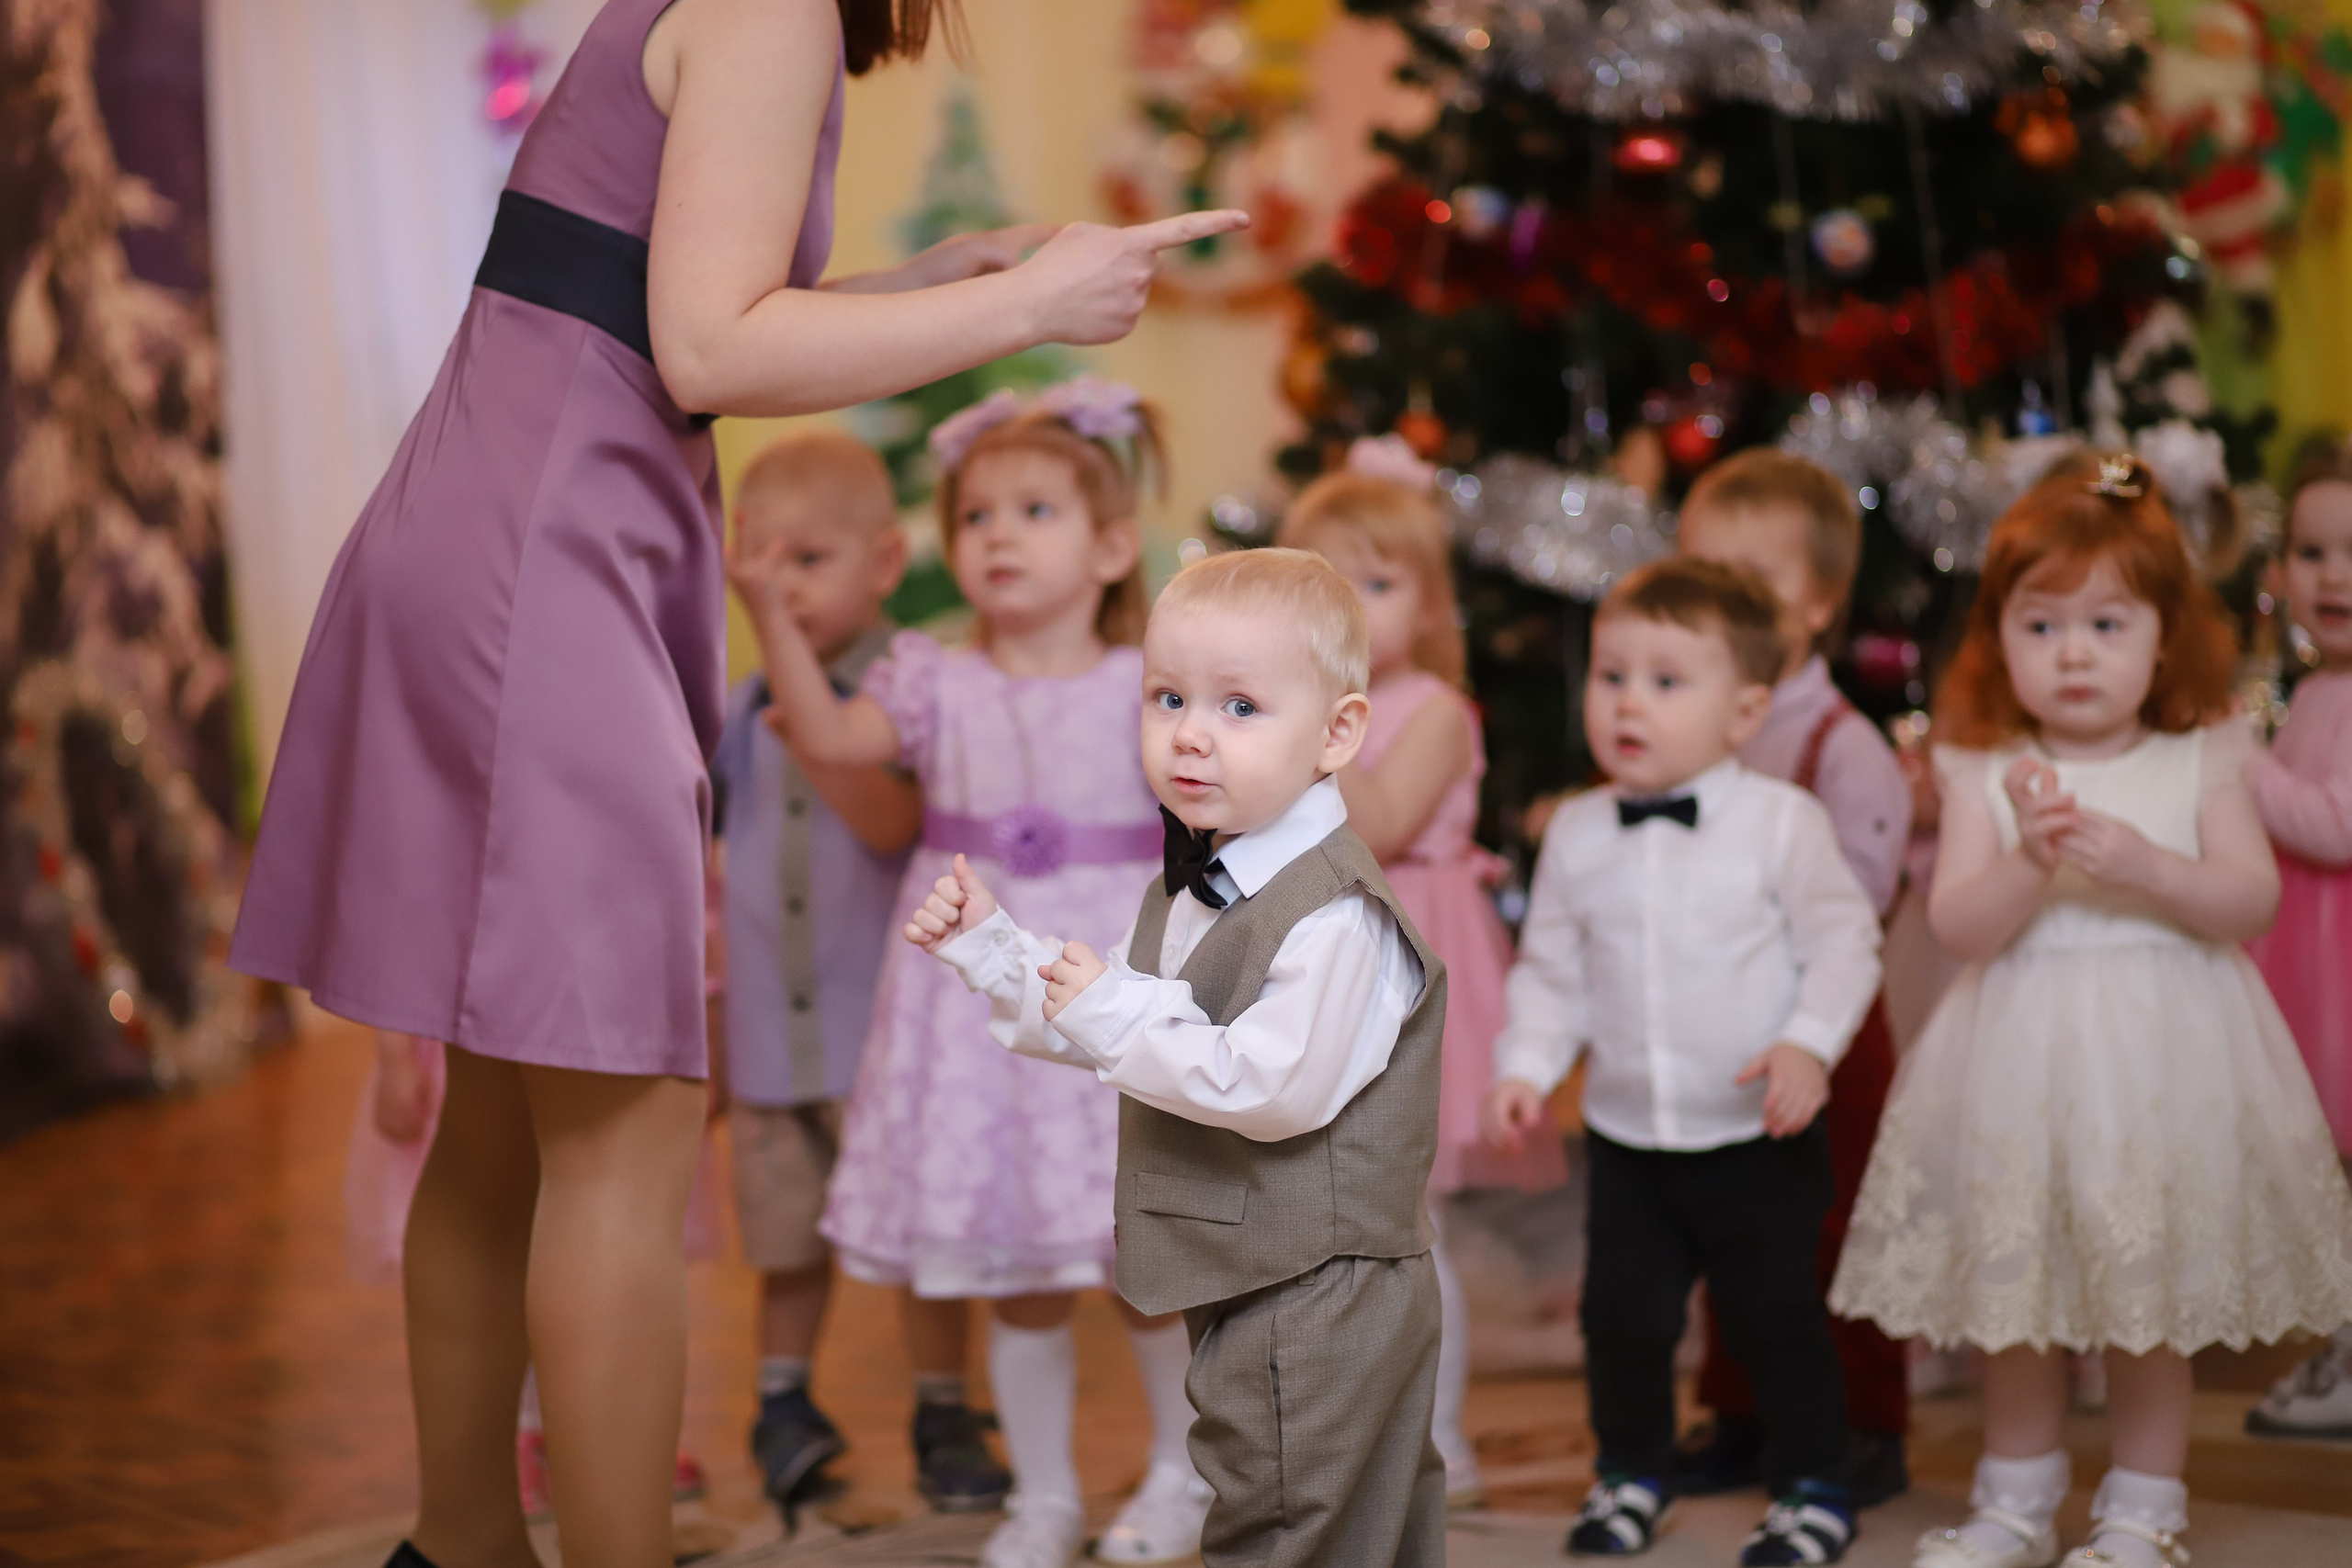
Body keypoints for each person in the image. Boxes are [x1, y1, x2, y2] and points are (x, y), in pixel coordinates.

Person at [225, 0, 1248, 1556]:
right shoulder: (769, 6)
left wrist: (930, 282)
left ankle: (463, 1545)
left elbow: (650, 297)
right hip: (545, 556)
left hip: (505, 519)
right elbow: (711, 348)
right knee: (621, 1141)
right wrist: (1025, 305)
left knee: (505, 1125)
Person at [1828, 456, 2352, 1568]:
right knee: (2019, 1299)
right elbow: (1962, 922)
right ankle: (2013, 1505)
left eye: (2108, 624)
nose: (2074, 652)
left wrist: (2144, 864)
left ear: (2164, 636)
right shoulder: (1982, 763)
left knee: (2140, 1297)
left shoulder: (2206, 752)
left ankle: (2142, 1513)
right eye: (2042, 624)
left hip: (2166, 1053)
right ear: (1998, 639)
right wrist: (2033, 864)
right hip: (2017, 1053)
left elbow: (2248, 895)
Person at [907, 547, 1449, 1568]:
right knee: (1332, 1509)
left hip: (1322, 1285)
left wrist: (1112, 1008)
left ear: (1337, 734)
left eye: (1240, 707)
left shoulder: (1336, 917)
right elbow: (1115, 1015)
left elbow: (1267, 1084)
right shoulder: (1192, 890)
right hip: (1253, 1268)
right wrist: (994, 948)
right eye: (1166, 698)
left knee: (1288, 1514)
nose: (1190, 734)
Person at [747, 380, 1207, 1568]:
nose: (999, 534)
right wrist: (776, 624)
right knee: (1020, 1269)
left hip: (1105, 977)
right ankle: (1043, 1493)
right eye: (979, 513)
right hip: (975, 1003)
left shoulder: (1145, 681)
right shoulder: (928, 675)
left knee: (1139, 1258)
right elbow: (837, 740)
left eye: (1036, 509)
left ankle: (1181, 1472)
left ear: (1112, 545)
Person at [1486, 557, 1883, 1565]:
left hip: (1757, 1132)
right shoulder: (1576, 832)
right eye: (1610, 675)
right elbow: (1552, 971)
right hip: (1627, 1136)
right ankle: (1630, 1473)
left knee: (1775, 1319)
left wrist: (1807, 1043)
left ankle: (1812, 1483)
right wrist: (1527, 1065)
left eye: (1666, 682)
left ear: (1744, 712)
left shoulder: (1780, 825)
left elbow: (1845, 943)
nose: (1627, 702)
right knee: (1620, 1320)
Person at [708, 430, 1009, 1511]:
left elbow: (896, 826)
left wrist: (820, 742)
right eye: (761, 561)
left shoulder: (905, 688)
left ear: (884, 564)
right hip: (772, 1041)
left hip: (882, 1039)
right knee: (783, 1241)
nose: (780, 587)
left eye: (810, 560)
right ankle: (782, 1406)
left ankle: (944, 1407)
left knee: (925, 1240)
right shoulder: (738, 707)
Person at [1277, 436, 1566, 1507]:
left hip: (1405, 971)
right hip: (1318, 966)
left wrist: (1288, 742)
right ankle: (1344, 1431)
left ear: (1432, 607)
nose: (1348, 607)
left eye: (1379, 582)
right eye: (1324, 583)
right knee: (1328, 1227)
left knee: (1403, 1227)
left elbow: (1387, 821)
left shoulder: (1435, 711)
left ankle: (1438, 1445)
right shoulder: (1292, 719)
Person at [1675, 449, 1914, 1504]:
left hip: (1823, 1028)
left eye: (1752, 584)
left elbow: (1858, 898)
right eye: (1700, 578)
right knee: (1726, 1223)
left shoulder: (1839, 742)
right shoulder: (1684, 727)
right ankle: (1740, 1408)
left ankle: (1861, 1425)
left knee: (1832, 1228)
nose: (1719, 606)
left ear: (1817, 605)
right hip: (1717, 1020)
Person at [342, 1032, 716, 1521]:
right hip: (474, 1032)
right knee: (500, 1220)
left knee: (587, 1212)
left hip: (608, 1021)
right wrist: (395, 1051)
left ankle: (606, 1448)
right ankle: (513, 1441)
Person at [2244, 436, 2352, 1440]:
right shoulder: (2317, 690)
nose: (2334, 576)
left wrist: (2239, 768)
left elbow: (2333, 825)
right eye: (2313, 553)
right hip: (2309, 962)